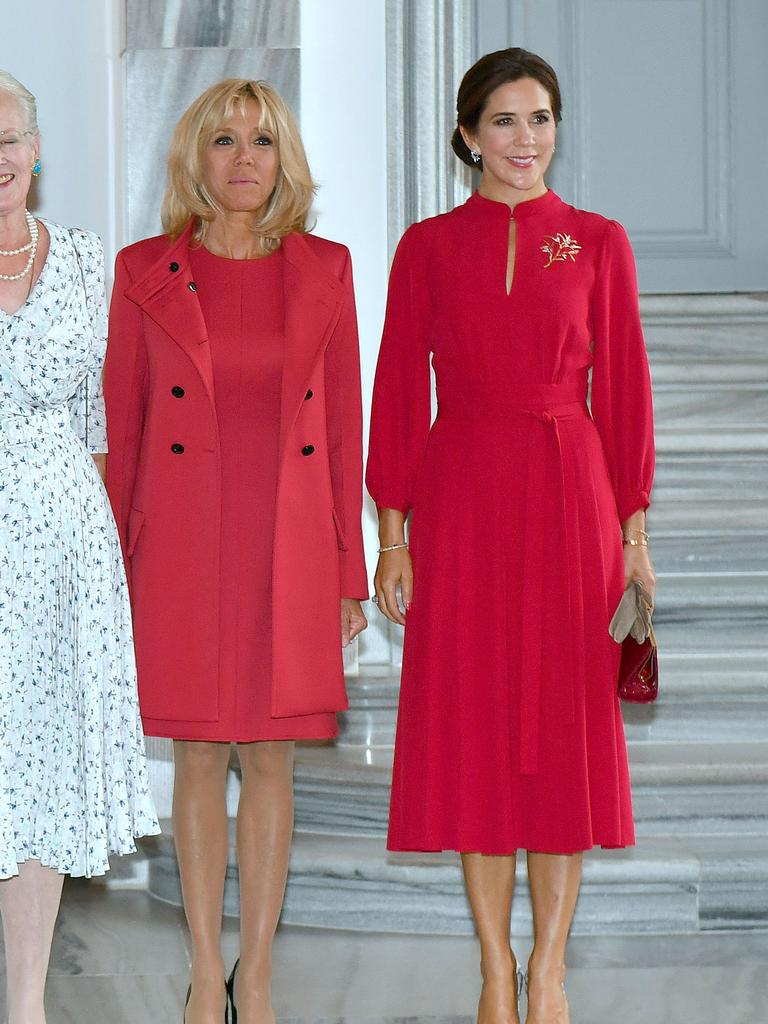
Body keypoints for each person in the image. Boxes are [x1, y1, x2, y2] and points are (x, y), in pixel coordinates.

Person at [367, 48, 655, 1024]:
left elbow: (622, 398)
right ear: (466, 134)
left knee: (565, 736)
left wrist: (637, 539)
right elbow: (401, 390)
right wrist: (393, 534)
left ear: (557, 129)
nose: (523, 139)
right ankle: (495, 969)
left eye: (539, 119)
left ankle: (551, 971)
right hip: (463, 502)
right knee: (479, 736)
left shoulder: (600, 242)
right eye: (503, 120)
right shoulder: (427, 247)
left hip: (571, 502)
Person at [104, 78, 368, 1023]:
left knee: (269, 760)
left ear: (283, 158)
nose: (244, 157)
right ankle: (200, 970)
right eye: (224, 139)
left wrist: (350, 575)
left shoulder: (327, 269)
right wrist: (109, 572)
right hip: (179, 544)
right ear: (195, 158)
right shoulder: (144, 271)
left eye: (261, 140)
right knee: (195, 760)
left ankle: (252, 977)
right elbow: (123, 430)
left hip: (286, 546)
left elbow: (345, 435)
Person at [0, 70, 159, 1024]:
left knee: (45, 767)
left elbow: (107, 426)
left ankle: (26, 1002)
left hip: (63, 553)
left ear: (37, 147)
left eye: (9, 137)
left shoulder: (92, 260)